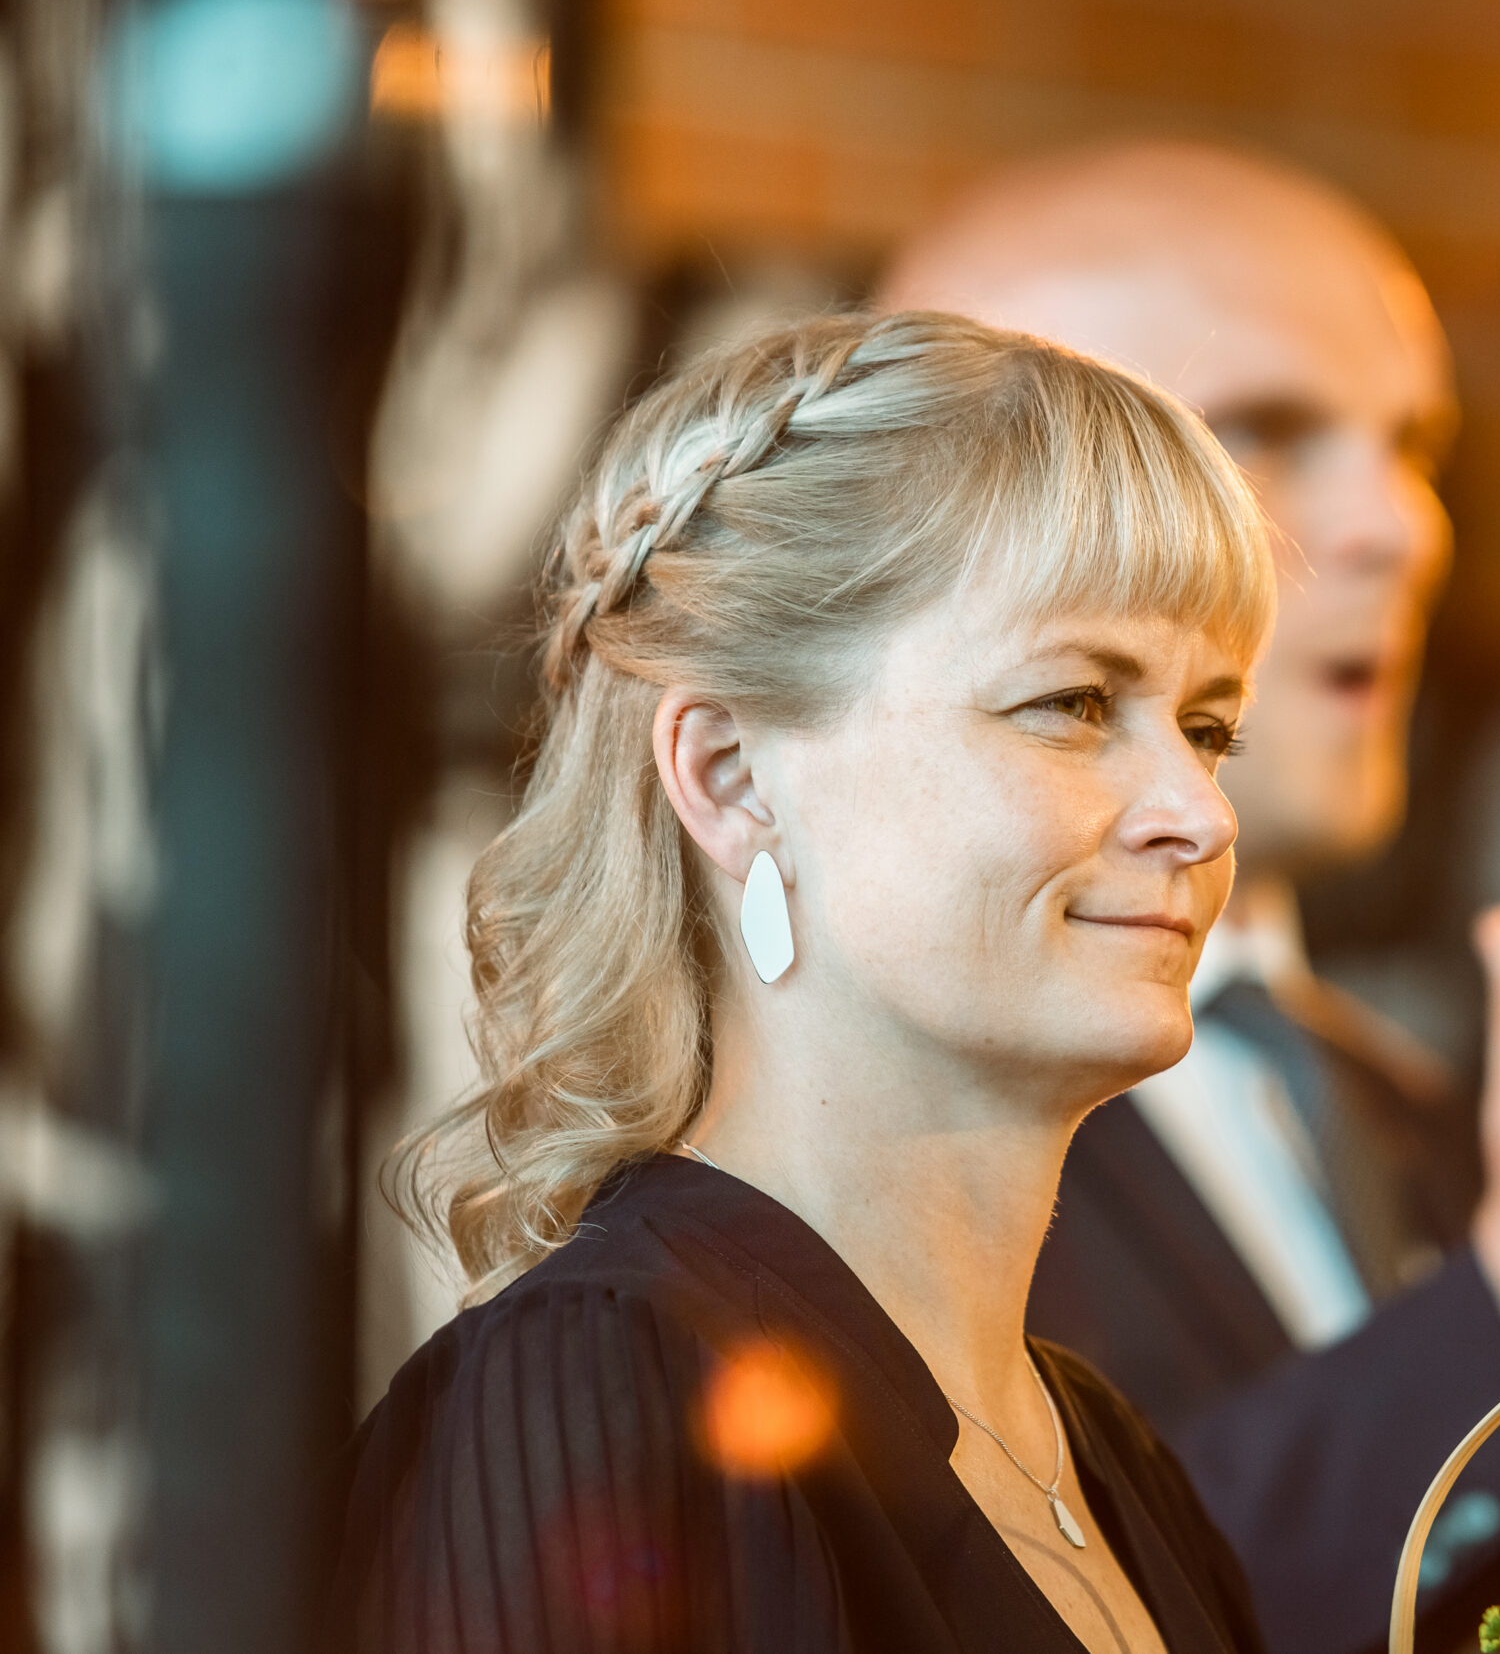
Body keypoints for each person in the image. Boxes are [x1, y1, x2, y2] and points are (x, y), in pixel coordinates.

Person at [881, 141, 1500, 1654]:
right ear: (946, 509)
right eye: (1263, 433)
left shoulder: (1413, 1119)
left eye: (1415, 448)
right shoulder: (848, 1110)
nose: (1401, 526)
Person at [335, 310, 1285, 1654]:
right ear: (730, 777)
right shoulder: (598, 1385)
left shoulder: (1118, 1464)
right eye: (1074, 703)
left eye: (1208, 727)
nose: (1201, 812)